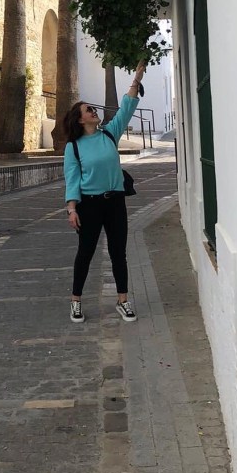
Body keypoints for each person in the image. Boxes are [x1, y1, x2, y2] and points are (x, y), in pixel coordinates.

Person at [62, 62, 147, 324]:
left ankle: (123, 300)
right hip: (89, 205)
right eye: (89, 110)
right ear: (80, 119)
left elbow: (127, 108)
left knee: (118, 252)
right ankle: (76, 301)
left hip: (115, 202)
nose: (94, 111)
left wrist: (137, 78)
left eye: (93, 108)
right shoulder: (74, 147)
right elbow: (72, 179)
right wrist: (72, 209)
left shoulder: (109, 134)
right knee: (85, 253)